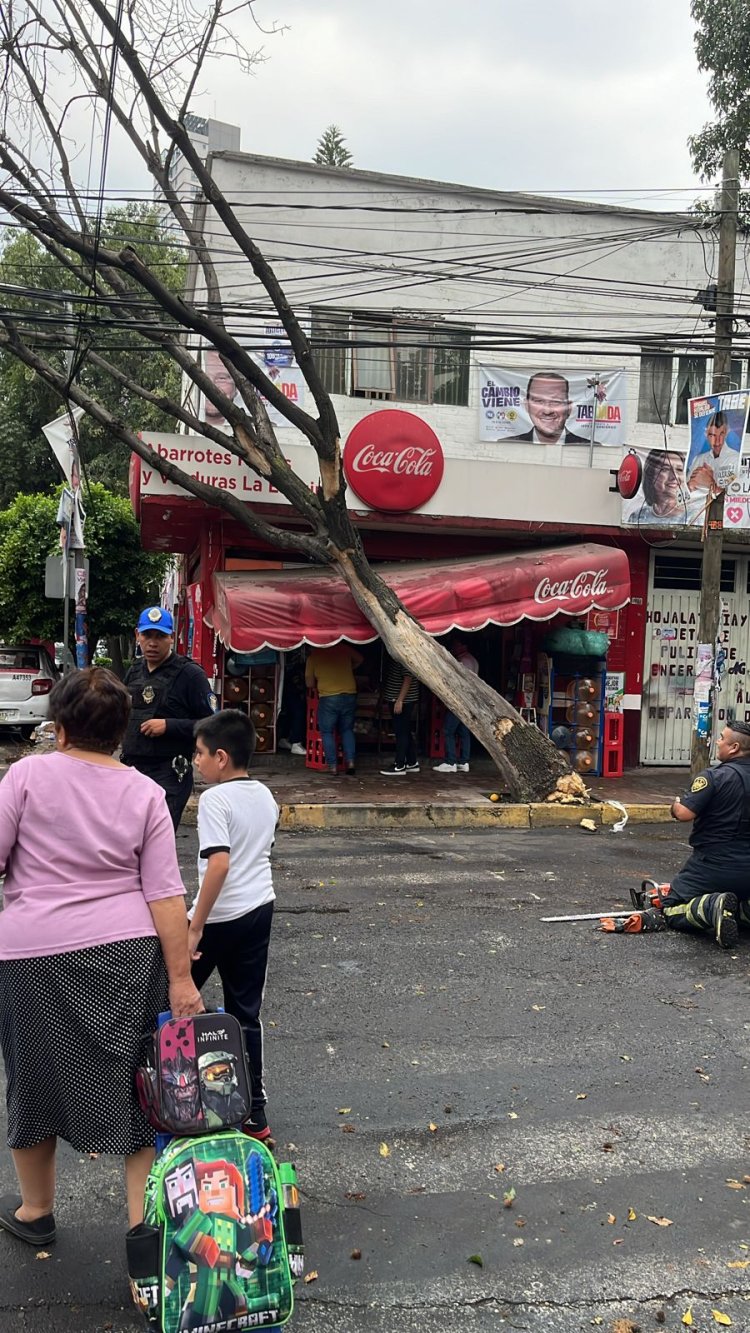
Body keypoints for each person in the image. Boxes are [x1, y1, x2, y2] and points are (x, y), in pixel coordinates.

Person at [0, 668, 203, 1248]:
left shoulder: (26, 776)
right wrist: (182, 981)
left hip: (31, 957)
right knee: (141, 1090)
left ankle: (37, 1211)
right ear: (123, 730)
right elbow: (166, 895)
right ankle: (144, 1229)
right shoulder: (145, 792)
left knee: (33, 1084)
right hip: (127, 954)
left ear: (59, 726)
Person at [190, 710, 279, 1145]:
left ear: (221, 757)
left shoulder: (214, 800)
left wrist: (194, 926)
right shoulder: (266, 795)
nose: (195, 761)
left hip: (220, 917)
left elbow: (219, 864)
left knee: (171, 996)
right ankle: (255, 1118)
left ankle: (177, 1095)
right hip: (260, 907)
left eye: (200, 753)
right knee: (246, 1013)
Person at [122, 607, 217, 830]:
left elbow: (214, 725)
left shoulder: (190, 675)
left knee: (156, 838)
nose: (153, 643)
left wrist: (169, 726)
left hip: (169, 771)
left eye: (160, 636)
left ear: (171, 638)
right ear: (137, 635)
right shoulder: (134, 671)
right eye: (147, 636)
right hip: (132, 770)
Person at [662, 721, 750, 949]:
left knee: (670, 908)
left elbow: (683, 813)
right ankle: (742, 910)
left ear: (734, 748)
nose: (718, 742)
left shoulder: (714, 777)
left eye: (722, 738)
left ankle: (713, 906)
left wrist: (675, 805)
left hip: (713, 866)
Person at [305, 642, 363, 776]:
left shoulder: (314, 656)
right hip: (349, 694)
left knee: (327, 732)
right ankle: (351, 762)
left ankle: (332, 766)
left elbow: (309, 683)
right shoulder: (343, 648)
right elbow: (360, 659)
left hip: (329, 697)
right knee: (347, 729)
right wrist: (349, 669)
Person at [503, 372, 590, 445]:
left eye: (556, 402)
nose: (547, 411)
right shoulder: (507, 445)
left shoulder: (588, 447)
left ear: (569, 408)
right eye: (539, 401)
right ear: (527, 406)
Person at [434, 637, 479, 774]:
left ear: (462, 645)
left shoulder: (463, 661)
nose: (453, 648)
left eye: (455, 644)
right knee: (464, 732)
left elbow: (458, 682)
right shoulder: (473, 660)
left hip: (460, 700)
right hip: (469, 700)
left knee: (448, 730)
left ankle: (450, 762)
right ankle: (464, 761)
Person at [623, 450, 704, 526]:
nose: (674, 476)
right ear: (651, 475)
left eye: (679, 470)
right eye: (665, 469)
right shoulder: (637, 516)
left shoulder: (694, 517)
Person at [380, 655, 420, 777]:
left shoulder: (405, 658)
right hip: (400, 699)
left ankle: (399, 764)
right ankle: (412, 762)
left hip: (403, 701)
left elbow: (408, 679)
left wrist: (400, 700)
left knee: (401, 732)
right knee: (405, 731)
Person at [688, 410, 741, 492]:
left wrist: (710, 483)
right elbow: (687, 490)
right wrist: (690, 485)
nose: (717, 442)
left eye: (721, 434)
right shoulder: (698, 459)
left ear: (727, 432)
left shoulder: (736, 460)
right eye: (712, 435)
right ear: (706, 434)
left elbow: (735, 498)